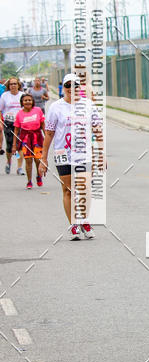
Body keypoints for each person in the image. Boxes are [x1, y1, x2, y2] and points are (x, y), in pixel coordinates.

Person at [40, 73, 102, 240]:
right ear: (64, 88)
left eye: (75, 85)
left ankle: (84, 220)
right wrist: (43, 158)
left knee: (85, 188)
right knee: (68, 190)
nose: (71, 89)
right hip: (63, 154)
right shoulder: (55, 107)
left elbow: (98, 130)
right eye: (67, 85)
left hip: (84, 154)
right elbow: (49, 134)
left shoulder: (89, 105)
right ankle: (74, 224)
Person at [14, 93, 45, 189]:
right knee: (28, 160)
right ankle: (29, 181)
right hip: (25, 138)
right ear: (22, 102)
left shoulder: (38, 110)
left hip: (37, 137)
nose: (27, 102)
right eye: (25, 100)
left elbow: (43, 125)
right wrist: (14, 145)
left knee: (37, 160)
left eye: (29, 100)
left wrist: (47, 137)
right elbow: (16, 130)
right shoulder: (19, 113)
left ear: (32, 102)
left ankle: (39, 176)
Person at [0, 78, 24, 174]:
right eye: (11, 84)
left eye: (15, 84)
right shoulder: (5, 96)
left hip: (21, 123)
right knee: (10, 146)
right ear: (8, 86)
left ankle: (19, 167)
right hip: (8, 123)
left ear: (18, 85)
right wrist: (1, 123)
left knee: (20, 146)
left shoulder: (22, 95)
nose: (13, 86)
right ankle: (9, 162)